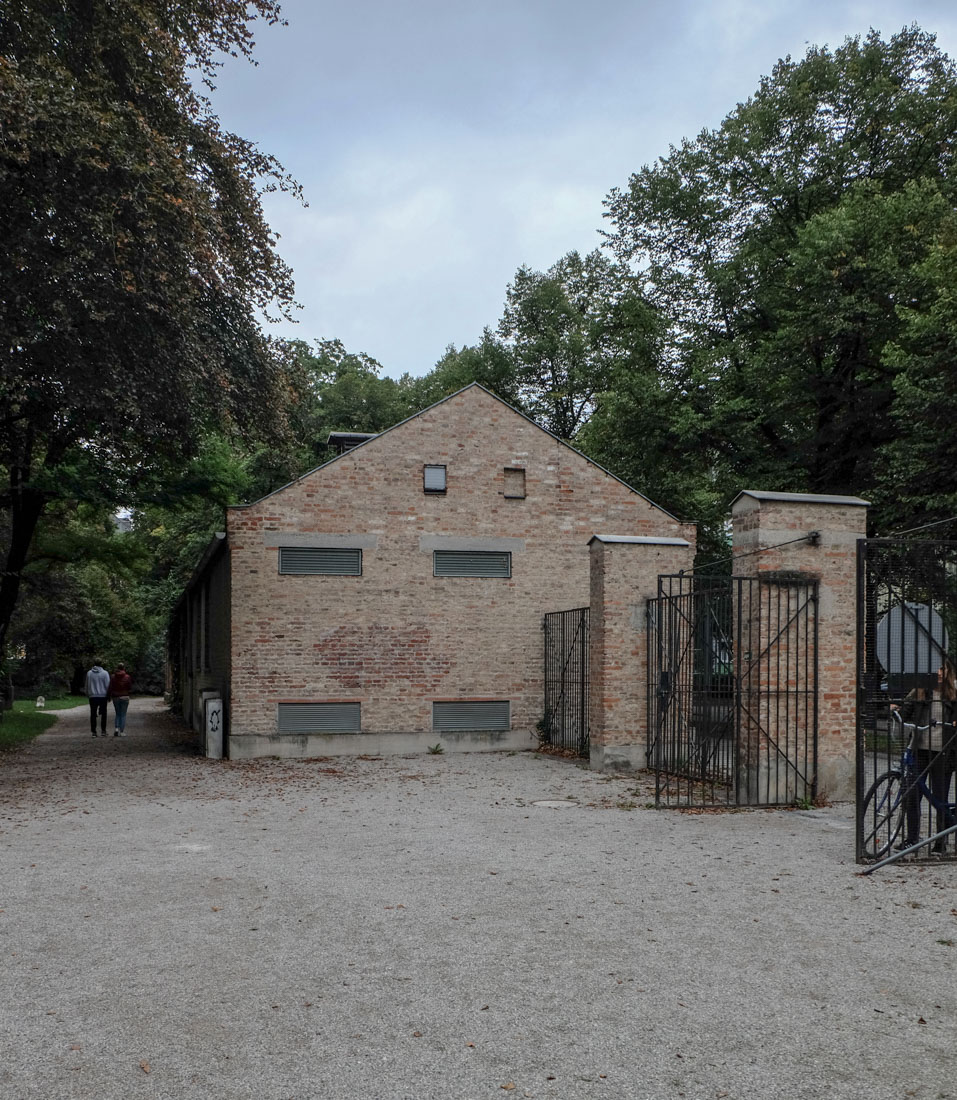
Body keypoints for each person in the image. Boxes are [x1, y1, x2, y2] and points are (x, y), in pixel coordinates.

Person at [892, 662, 957, 852]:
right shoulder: (919, 692)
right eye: (935, 668)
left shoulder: (953, 695)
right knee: (912, 795)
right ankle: (912, 838)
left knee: (940, 799)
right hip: (919, 750)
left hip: (943, 752)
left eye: (942, 669)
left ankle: (940, 842)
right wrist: (896, 711)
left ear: (948, 671)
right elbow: (906, 713)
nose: (938, 673)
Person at [85, 659, 110, 737]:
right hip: (103, 696)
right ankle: (103, 731)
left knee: (93, 714)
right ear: (101, 664)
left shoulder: (89, 673)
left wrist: (87, 693)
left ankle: (94, 732)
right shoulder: (105, 673)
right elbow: (108, 685)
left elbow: (87, 684)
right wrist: (108, 695)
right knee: (104, 714)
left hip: (93, 696)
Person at [108, 663, 133, 737]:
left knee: (117, 713)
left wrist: (109, 696)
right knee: (123, 714)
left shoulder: (113, 677)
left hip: (115, 697)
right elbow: (130, 687)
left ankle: (116, 728)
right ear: (124, 668)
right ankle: (122, 731)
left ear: (117, 668)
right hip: (125, 697)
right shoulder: (127, 677)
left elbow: (110, 687)